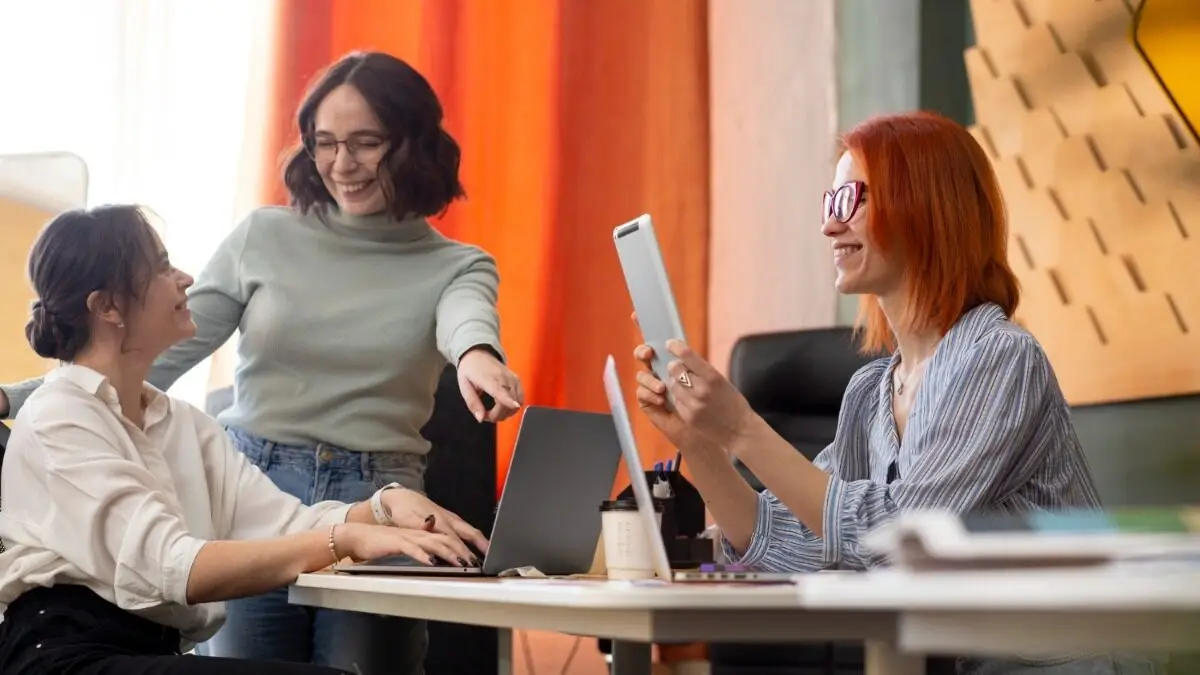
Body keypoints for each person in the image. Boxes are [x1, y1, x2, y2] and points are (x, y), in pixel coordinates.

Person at [0, 51, 522, 674]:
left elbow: (466, 322)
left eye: (365, 143)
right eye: (324, 142)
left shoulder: (455, 266)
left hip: (366, 488)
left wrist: (475, 359)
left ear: (411, 144)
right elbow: (130, 369)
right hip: (260, 469)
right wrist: (12, 400)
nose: (340, 163)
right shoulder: (263, 239)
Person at [631, 112, 1161, 674]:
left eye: (851, 201)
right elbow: (800, 542)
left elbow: (902, 537)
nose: (830, 228)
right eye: (829, 204)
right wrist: (701, 445)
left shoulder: (1000, 359)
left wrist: (740, 426)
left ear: (927, 208)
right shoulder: (869, 393)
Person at [0, 205, 485, 675]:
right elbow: (174, 566)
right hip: (64, 656)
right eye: (163, 268)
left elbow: (287, 523)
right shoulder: (59, 415)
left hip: (149, 651)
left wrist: (381, 506)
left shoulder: (185, 424)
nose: (186, 279)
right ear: (106, 306)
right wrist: (347, 539)